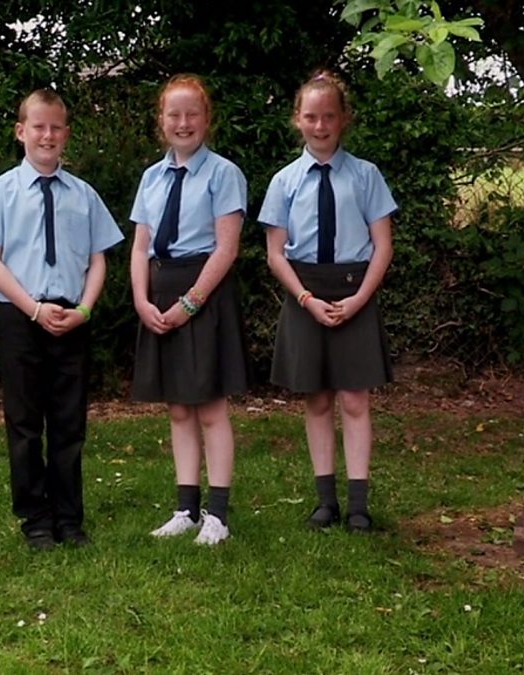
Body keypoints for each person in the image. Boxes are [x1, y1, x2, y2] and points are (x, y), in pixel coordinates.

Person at [0, 89, 124, 551]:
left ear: (67, 134)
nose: (47, 135)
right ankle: (35, 518)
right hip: (20, 315)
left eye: (56, 128)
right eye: (38, 127)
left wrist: (84, 310)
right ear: (21, 132)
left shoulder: (84, 195)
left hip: (72, 316)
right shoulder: (1, 192)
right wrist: (33, 308)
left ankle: (69, 519)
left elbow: (98, 260)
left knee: (69, 421)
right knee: (24, 421)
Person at [258, 69, 397, 533]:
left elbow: (383, 246)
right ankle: (325, 502)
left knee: (355, 399)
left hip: (355, 290)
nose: (320, 126)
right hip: (305, 294)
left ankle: (358, 504)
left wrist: (358, 300)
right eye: (312, 117)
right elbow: (275, 254)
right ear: (297, 119)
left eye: (329, 117)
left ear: (343, 119)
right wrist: (305, 298)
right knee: (316, 400)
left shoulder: (366, 176)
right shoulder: (284, 181)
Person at [130, 74, 249, 547]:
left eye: (191, 114)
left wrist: (190, 303)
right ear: (161, 120)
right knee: (179, 409)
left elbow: (227, 248)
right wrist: (142, 299)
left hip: (204, 293)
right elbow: (140, 246)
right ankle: (186, 509)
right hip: (160, 291)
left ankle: (217, 515)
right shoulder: (151, 178)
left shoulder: (223, 174)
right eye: (174, 115)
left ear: (206, 118)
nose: (183, 123)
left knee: (210, 408)